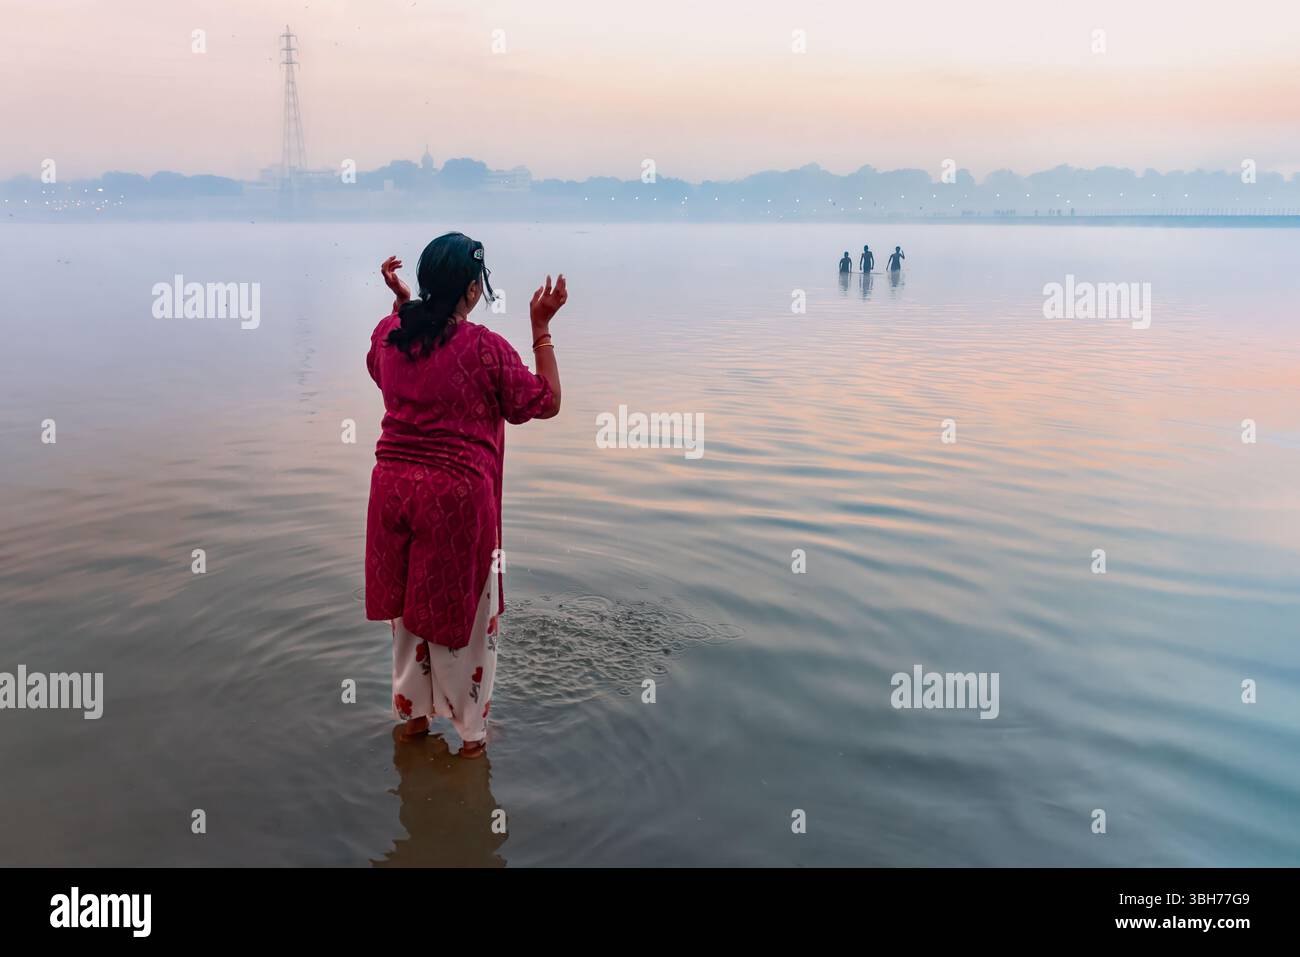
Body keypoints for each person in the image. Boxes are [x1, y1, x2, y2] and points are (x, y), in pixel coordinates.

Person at [368, 232, 567, 757]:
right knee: (466, 624)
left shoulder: (390, 334)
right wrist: (541, 330)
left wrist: (403, 305)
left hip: (392, 494)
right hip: (456, 502)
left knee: (410, 617)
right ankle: (471, 741)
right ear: (473, 290)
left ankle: (412, 725)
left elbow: (382, 363)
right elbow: (543, 402)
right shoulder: (484, 349)